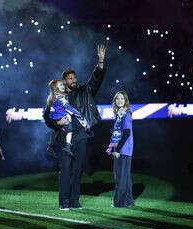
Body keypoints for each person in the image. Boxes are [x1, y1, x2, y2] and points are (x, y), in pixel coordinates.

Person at [43, 44, 107, 210]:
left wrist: (100, 62)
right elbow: (47, 118)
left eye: (74, 77)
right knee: (65, 171)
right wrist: (57, 123)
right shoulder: (57, 97)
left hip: (81, 138)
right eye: (70, 78)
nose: (73, 80)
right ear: (64, 81)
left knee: (78, 171)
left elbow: (95, 80)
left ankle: (74, 201)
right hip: (64, 139)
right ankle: (63, 202)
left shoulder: (84, 91)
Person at [46, 79, 91, 158]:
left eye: (63, 85)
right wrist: (78, 115)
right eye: (60, 85)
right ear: (55, 88)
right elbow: (68, 108)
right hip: (60, 116)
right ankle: (67, 147)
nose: (63, 86)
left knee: (59, 130)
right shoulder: (60, 97)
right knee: (69, 130)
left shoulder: (56, 96)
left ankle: (51, 146)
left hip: (57, 116)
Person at [106, 91, 134, 207]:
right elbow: (116, 134)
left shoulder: (126, 113)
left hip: (124, 149)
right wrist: (112, 148)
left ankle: (119, 202)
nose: (119, 101)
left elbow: (127, 133)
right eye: (117, 99)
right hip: (120, 149)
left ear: (125, 100)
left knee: (120, 177)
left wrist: (117, 150)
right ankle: (128, 201)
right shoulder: (118, 114)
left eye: (122, 99)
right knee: (124, 177)